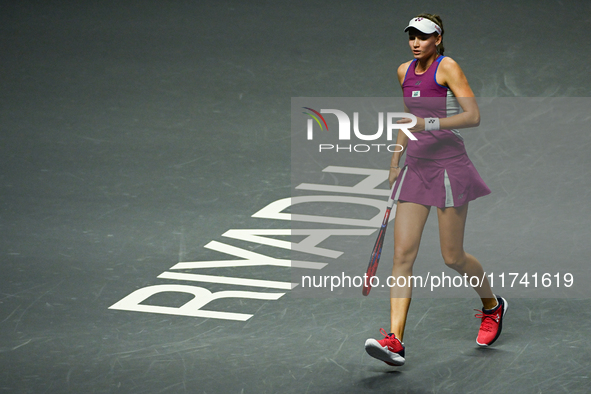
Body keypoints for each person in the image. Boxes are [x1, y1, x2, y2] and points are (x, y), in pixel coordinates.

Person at [364, 14, 507, 367]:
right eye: (412, 36)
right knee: (402, 257)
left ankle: (492, 305)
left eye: (424, 37)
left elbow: (472, 115)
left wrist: (430, 123)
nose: (416, 42)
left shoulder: (448, 68)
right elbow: (407, 116)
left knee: (452, 257)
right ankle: (395, 341)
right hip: (417, 167)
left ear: (438, 39)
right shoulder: (404, 71)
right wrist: (396, 160)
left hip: (448, 168)